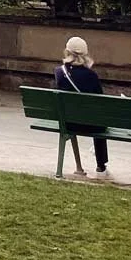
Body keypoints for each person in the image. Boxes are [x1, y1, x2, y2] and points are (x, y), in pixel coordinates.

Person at [55, 35, 110, 179]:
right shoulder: (91, 75)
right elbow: (101, 101)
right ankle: (101, 167)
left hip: (68, 122)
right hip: (92, 124)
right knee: (100, 120)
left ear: (67, 52)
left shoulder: (59, 72)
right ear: (85, 54)